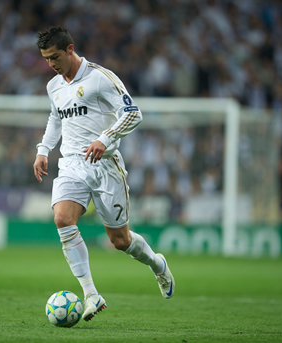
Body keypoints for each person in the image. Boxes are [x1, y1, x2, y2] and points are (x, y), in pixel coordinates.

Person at [33, 27, 175, 322]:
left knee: (120, 241)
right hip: (72, 164)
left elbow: (133, 113)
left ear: (70, 49)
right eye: (46, 59)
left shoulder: (100, 78)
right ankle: (90, 294)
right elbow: (55, 118)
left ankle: (157, 264)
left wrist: (105, 139)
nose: (51, 64)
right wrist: (43, 150)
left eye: (55, 57)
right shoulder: (54, 86)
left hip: (106, 165)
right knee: (62, 218)